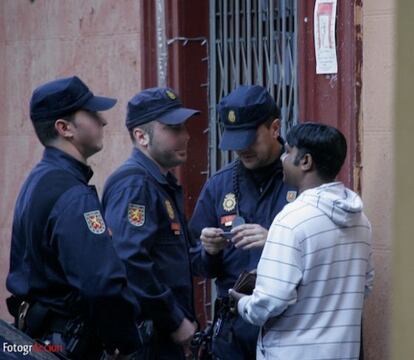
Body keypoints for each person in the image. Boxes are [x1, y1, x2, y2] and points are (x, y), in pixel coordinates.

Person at [6, 76, 142, 359]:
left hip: (40, 338)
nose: (102, 121)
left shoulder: (40, 179)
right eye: (91, 114)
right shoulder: (71, 193)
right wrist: (127, 342)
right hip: (66, 344)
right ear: (64, 128)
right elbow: (101, 285)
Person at [229, 123, 375, 359]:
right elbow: (364, 286)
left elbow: (269, 302)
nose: (283, 159)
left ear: (305, 161)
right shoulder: (361, 221)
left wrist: (243, 303)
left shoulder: (291, 220)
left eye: (288, 151)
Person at [189, 85, 297, 359]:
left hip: (290, 326)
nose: (242, 149)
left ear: (274, 128)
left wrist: (274, 239)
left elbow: (325, 251)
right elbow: (196, 264)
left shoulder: (303, 178)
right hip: (234, 332)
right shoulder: (219, 185)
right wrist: (209, 250)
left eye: (250, 139)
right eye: (235, 141)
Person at [102, 87, 200, 360]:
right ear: (141, 136)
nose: (186, 136)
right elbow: (129, 259)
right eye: (174, 128)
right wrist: (174, 320)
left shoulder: (158, 181)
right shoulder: (135, 184)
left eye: (184, 127)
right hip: (149, 339)